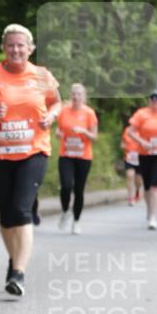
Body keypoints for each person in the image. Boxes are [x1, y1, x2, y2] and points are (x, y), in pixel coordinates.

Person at [0, 23, 61, 297]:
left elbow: (57, 102)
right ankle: (15, 258)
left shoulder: (42, 75)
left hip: (33, 151)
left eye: (20, 45)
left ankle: (18, 273)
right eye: (11, 45)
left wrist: (51, 116)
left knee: (21, 210)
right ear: (4, 48)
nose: (15, 50)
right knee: (6, 215)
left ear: (30, 48)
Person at [127, 90, 157, 230]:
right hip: (145, 153)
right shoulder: (142, 114)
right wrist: (141, 141)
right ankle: (149, 209)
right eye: (153, 100)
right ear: (149, 101)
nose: (155, 103)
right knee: (147, 186)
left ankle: (154, 217)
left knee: (155, 186)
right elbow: (130, 131)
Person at [56, 83, 98, 234]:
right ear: (71, 95)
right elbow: (58, 129)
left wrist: (83, 131)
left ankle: (76, 221)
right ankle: (65, 210)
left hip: (83, 156)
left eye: (79, 94)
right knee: (66, 185)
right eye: (74, 94)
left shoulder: (89, 113)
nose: (76, 97)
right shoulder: (63, 111)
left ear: (84, 97)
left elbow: (94, 137)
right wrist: (58, 134)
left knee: (79, 189)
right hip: (66, 154)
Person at [121, 123, 143, 205]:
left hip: (140, 158)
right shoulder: (127, 130)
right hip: (129, 157)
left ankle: (137, 190)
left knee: (138, 180)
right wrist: (123, 146)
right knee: (130, 176)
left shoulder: (143, 130)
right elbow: (123, 142)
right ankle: (131, 197)